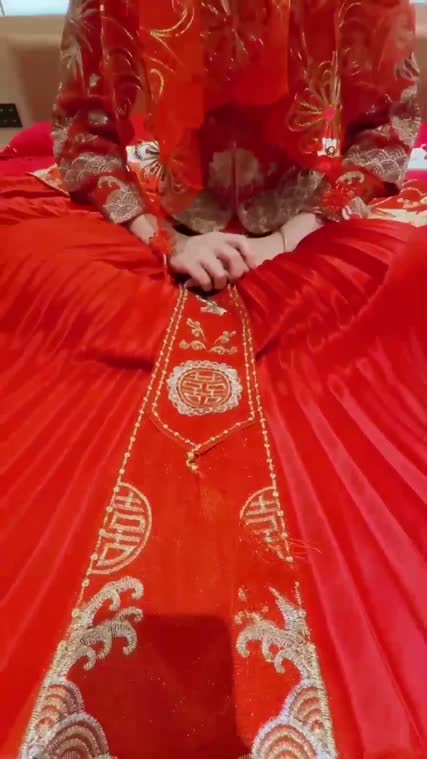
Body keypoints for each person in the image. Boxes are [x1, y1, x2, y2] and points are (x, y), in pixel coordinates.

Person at [1, 1, 426, 757]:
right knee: (23, 263)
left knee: (407, 276)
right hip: (158, 222)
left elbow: (386, 133)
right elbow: (84, 135)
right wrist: (163, 238)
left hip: (312, 229)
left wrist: (292, 237)